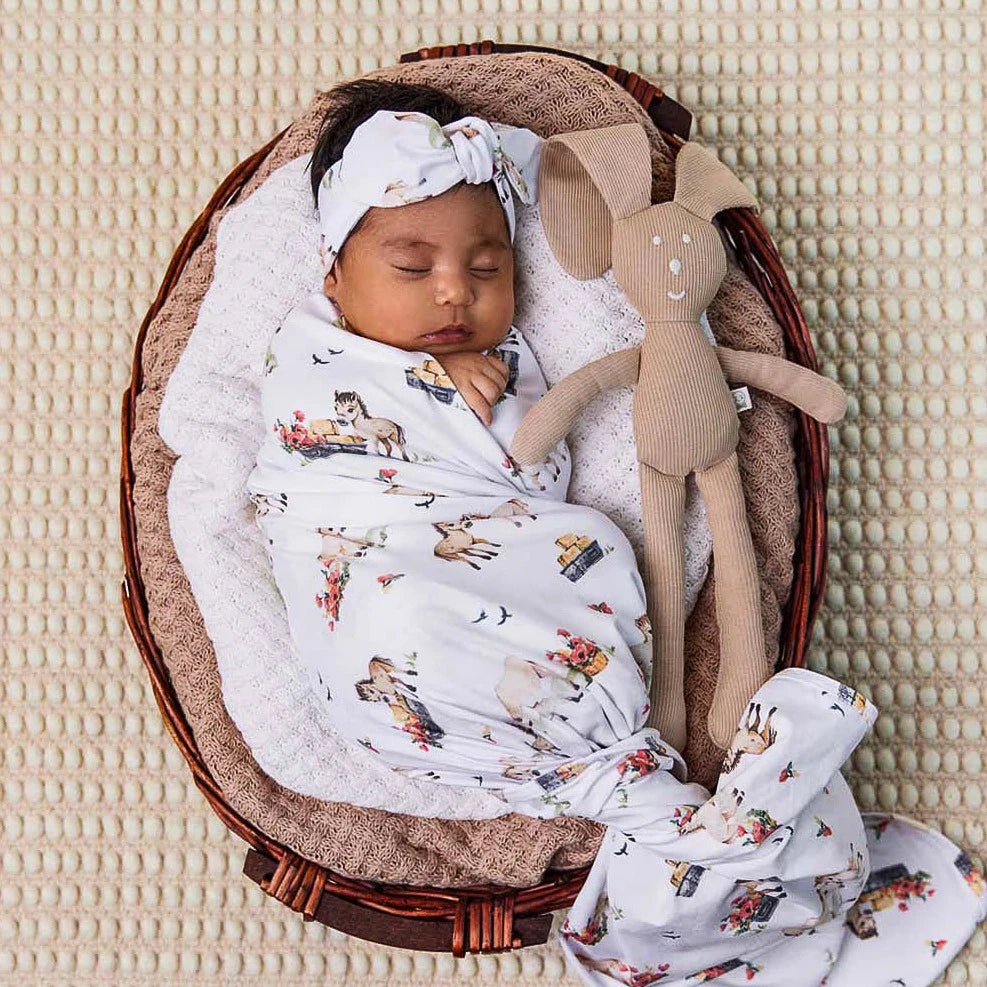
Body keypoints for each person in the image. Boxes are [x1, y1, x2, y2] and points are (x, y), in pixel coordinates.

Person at [246, 81, 987, 986]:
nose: (454, 291)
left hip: (462, 591)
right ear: (332, 276)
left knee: (546, 554)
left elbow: (530, 474)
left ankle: (657, 813)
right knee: (399, 614)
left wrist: (480, 395)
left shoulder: (504, 364)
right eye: (411, 268)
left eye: (487, 267)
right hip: (371, 591)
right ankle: (680, 823)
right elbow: (308, 475)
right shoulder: (308, 358)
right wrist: (439, 386)